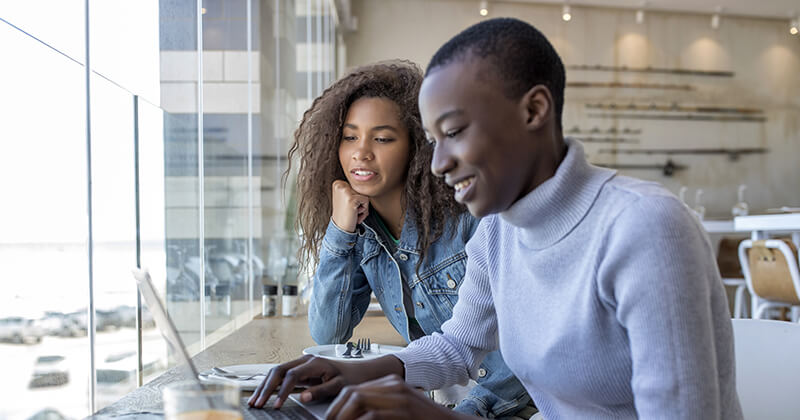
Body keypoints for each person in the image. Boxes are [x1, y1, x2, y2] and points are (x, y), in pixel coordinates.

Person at [250, 19, 742, 420]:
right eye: (432, 140)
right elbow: (459, 347)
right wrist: (356, 372)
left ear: (534, 110)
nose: (438, 163)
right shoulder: (499, 231)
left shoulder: (645, 227)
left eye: (455, 131)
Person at [279, 59, 531, 417]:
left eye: (382, 138)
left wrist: (467, 413)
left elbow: (521, 353)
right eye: (349, 137)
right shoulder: (363, 232)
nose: (360, 152)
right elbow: (328, 334)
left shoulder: (471, 217)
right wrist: (340, 230)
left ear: (419, 146)